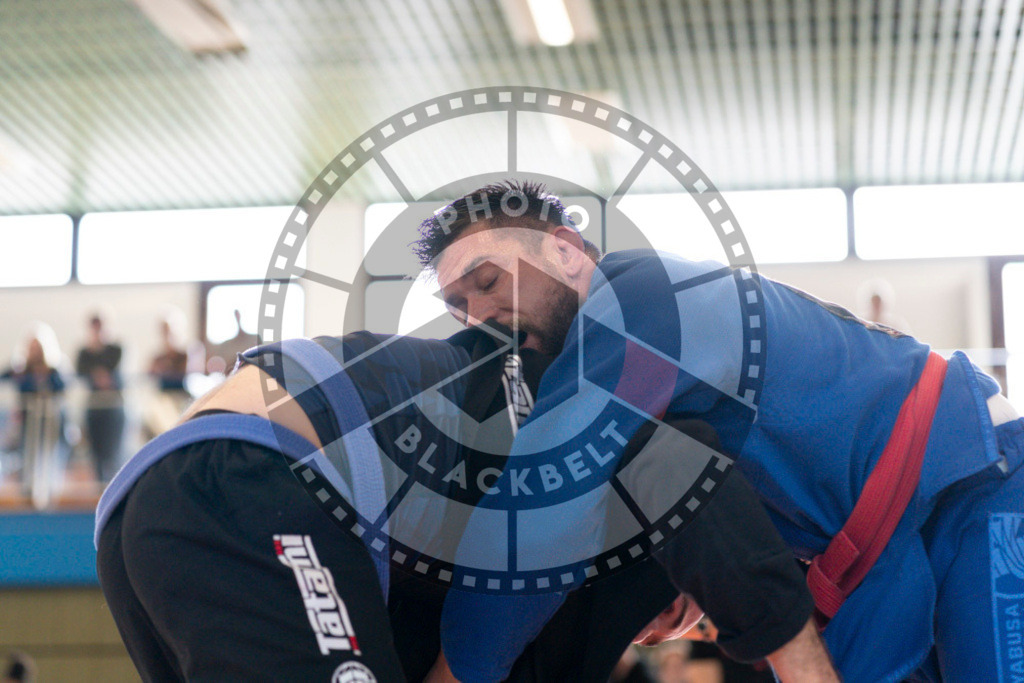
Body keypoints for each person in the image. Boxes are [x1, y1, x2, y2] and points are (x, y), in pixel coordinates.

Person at [414, 180, 1024, 682]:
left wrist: (458, 669)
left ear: (565, 250)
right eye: (458, 306)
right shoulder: (612, 350)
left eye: (489, 281)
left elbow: (545, 505)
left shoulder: (641, 298)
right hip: (876, 557)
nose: (479, 316)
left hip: (976, 482)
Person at [98, 323, 714, 681]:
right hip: (251, 478)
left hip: (157, 504)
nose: (665, 634)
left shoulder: (514, 402)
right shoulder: (603, 458)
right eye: (691, 616)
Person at [1, 324, 70, 505]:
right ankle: (27, 493)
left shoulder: (54, 369)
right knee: (26, 456)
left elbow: (63, 385)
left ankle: (51, 493)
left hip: (50, 422)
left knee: (49, 456)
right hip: (27, 423)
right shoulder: (22, 369)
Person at [76, 312, 126, 483]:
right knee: (95, 450)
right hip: (94, 406)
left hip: (113, 406)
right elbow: (82, 372)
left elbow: (112, 373)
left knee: (113, 450)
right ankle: (99, 484)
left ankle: (115, 485)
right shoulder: (84, 352)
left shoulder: (116, 349)